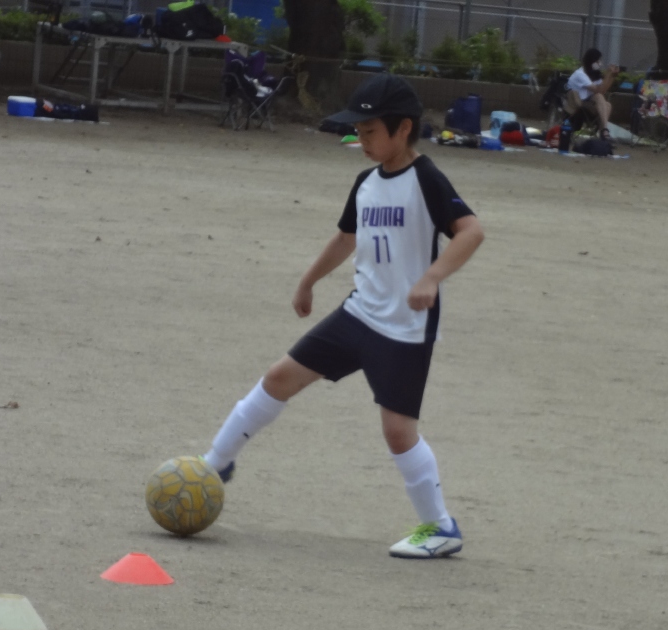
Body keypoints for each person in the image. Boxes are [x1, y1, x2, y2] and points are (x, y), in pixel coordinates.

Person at [199, 74, 485, 559]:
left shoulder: (426, 179)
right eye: (359, 131)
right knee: (279, 378)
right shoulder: (366, 183)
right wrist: (308, 280)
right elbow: (346, 238)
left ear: (403, 129)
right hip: (358, 314)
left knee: (398, 432)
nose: (362, 140)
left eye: (371, 131)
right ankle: (214, 464)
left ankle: (440, 527)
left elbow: (471, 231)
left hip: (403, 328)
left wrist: (432, 277)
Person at [567, 48, 618, 132]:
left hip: (588, 103)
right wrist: (608, 74)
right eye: (598, 61)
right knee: (598, 96)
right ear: (592, 61)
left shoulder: (594, 74)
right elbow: (598, 90)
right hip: (578, 105)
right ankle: (604, 129)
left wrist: (612, 76)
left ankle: (603, 131)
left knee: (608, 104)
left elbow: (603, 90)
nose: (600, 63)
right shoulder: (580, 74)